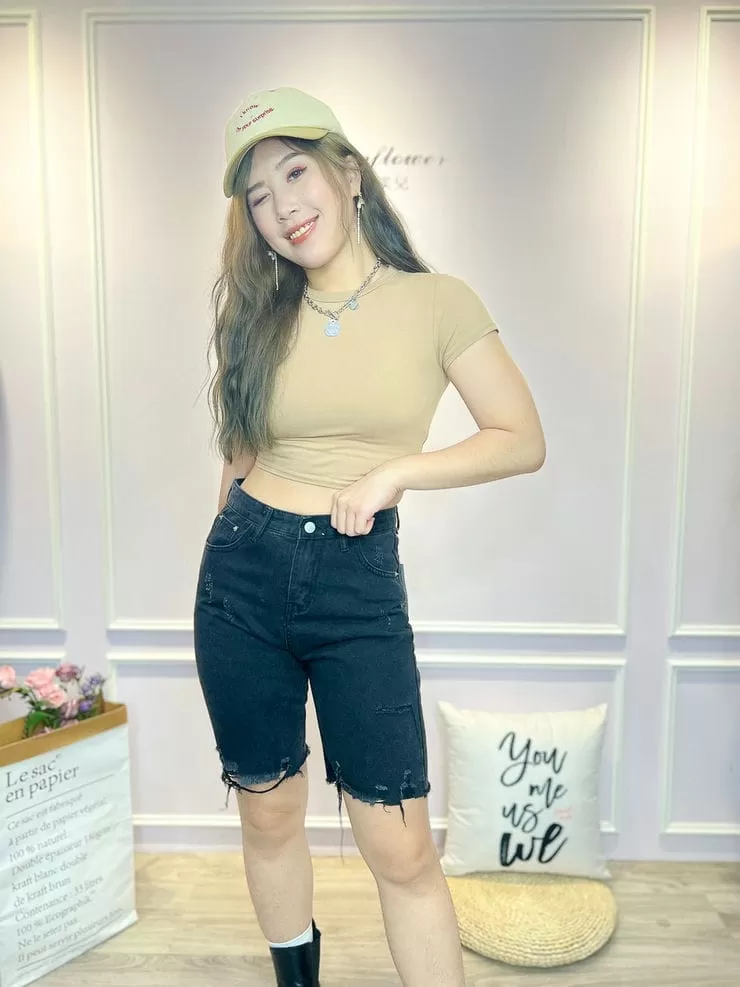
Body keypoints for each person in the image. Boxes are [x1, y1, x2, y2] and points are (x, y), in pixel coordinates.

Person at [193, 87, 546, 987]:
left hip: (356, 580)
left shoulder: (437, 302)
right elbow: (240, 458)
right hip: (241, 575)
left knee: (401, 843)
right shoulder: (258, 317)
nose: (282, 207)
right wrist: (225, 552)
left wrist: (396, 474)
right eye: (259, 197)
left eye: (295, 173)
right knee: (268, 811)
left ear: (349, 174)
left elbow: (520, 437)